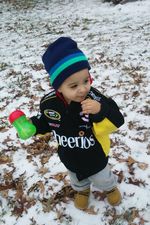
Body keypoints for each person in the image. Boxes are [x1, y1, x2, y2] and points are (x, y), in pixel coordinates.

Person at [31, 37, 124, 210]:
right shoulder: (49, 103)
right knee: (76, 177)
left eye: (86, 81)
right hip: (69, 154)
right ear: (58, 87)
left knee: (102, 177)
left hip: (95, 154)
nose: (83, 89)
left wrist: (100, 110)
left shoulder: (94, 98)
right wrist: (33, 126)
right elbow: (46, 121)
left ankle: (110, 188)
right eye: (73, 86)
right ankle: (82, 191)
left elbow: (118, 119)